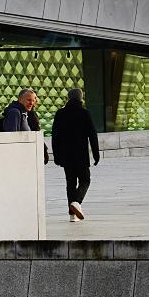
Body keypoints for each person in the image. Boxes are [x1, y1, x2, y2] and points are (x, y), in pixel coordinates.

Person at [50, 89, 99, 221]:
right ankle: (76, 203)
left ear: (68, 98)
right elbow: (92, 135)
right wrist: (96, 154)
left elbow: (55, 136)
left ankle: (72, 215)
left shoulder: (60, 114)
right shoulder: (84, 113)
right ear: (81, 98)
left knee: (70, 183)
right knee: (85, 180)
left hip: (66, 156)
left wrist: (56, 155)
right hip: (81, 155)